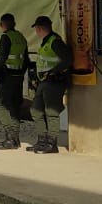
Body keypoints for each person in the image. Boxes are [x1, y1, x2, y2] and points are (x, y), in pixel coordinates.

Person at [27, 15, 72, 154]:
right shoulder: (46, 41)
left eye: (36, 29)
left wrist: (53, 72)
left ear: (39, 28)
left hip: (54, 82)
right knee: (35, 110)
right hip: (44, 82)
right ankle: (42, 140)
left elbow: (68, 60)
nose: (36, 31)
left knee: (51, 112)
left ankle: (52, 143)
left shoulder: (55, 41)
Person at [0, 13, 28, 149]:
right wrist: (21, 74)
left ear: (2, 25)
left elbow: (3, 57)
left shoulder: (5, 37)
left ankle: (10, 138)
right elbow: (26, 59)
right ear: (14, 23)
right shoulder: (21, 37)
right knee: (14, 107)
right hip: (18, 77)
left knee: (0, 105)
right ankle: (16, 139)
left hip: (8, 77)